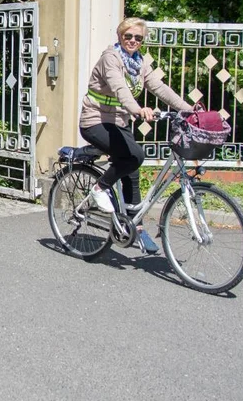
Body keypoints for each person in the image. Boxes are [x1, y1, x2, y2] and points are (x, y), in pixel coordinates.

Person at [79, 17, 192, 254]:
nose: (133, 41)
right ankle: (100, 188)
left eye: (138, 38)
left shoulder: (139, 62)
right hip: (95, 121)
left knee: (132, 171)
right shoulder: (111, 58)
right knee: (134, 156)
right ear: (120, 36)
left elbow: (159, 87)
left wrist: (188, 109)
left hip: (119, 123)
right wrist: (137, 110)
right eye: (128, 36)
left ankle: (136, 228)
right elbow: (119, 87)